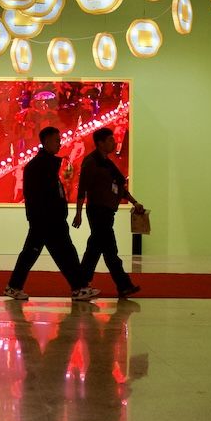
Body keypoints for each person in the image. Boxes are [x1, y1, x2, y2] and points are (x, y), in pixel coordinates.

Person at [4, 126, 100, 302]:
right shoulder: (40, 166)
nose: (59, 143)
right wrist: (50, 215)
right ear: (47, 141)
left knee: (53, 253)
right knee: (60, 253)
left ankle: (78, 287)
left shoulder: (43, 165)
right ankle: (79, 288)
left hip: (47, 219)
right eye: (57, 140)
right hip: (47, 220)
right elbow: (42, 195)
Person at [72, 127, 143, 297]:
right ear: (100, 143)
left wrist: (134, 202)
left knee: (95, 249)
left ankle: (81, 283)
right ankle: (123, 285)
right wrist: (78, 213)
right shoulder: (91, 162)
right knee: (110, 250)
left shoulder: (107, 163)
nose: (114, 142)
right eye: (110, 140)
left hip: (107, 211)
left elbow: (119, 186)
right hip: (97, 211)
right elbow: (83, 189)